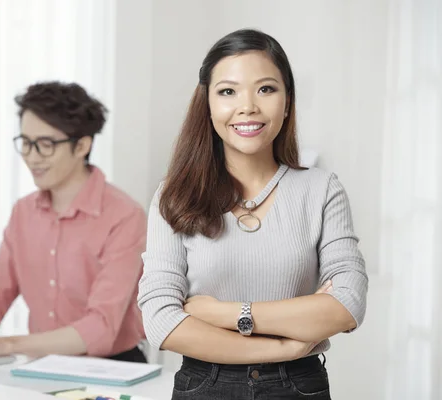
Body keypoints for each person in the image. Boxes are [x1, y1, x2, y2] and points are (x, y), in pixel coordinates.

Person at [138, 29, 368, 399]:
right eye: (228, 91)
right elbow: (162, 322)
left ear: (287, 102)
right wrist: (282, 348)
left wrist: (223, 314)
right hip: (204, 386)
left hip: (298, 388)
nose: (248, 106)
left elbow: (346, 306)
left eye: (266, 89)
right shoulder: (174, 195)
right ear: (207, 103)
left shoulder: (322, 189)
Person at [0, 81, 148, 363]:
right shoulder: (23, 213)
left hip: (112, 368)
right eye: (26, 143)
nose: (32, 157)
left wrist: (3, 345)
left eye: (46, 145)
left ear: (82, 146)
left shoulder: (125, 216)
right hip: (41, 366)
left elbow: (100, 328)